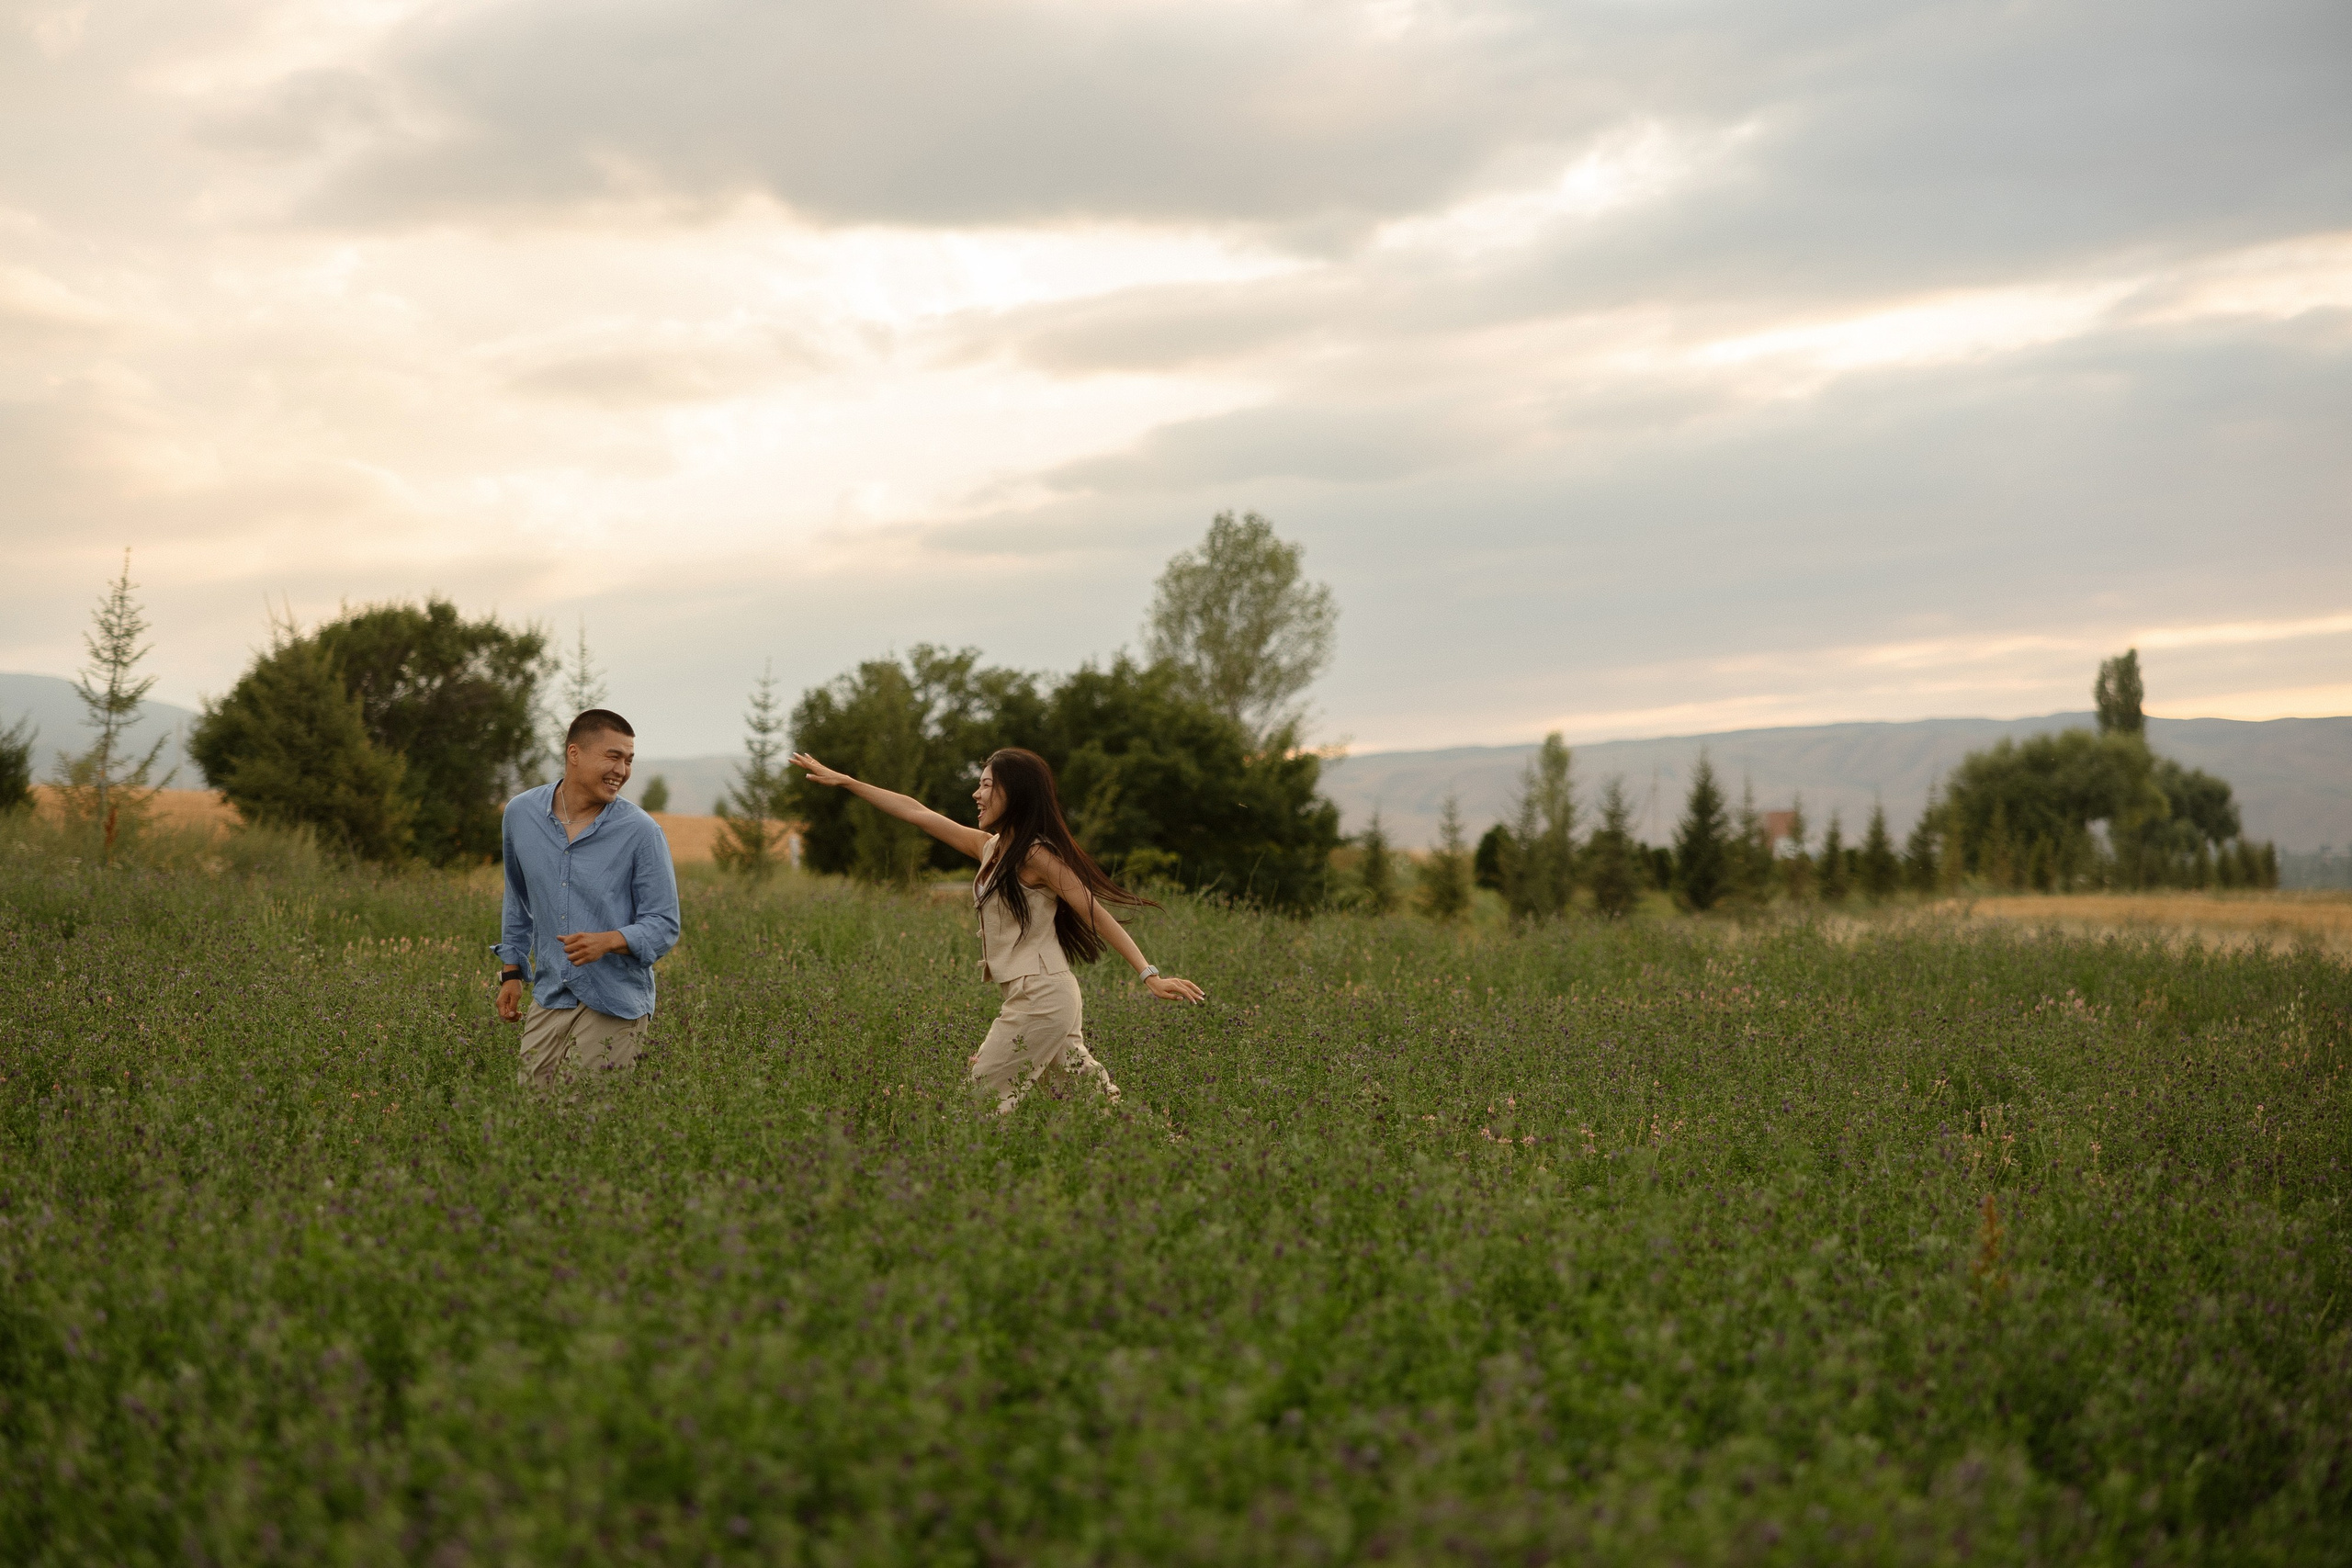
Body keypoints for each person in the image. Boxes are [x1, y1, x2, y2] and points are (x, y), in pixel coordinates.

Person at [789, 746, 1204, 1111]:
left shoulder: (1036, 855)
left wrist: (1149, 975)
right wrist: (846, 781)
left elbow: (1094, 911)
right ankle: (1169, 1151)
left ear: (1013, 793)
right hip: (1040, 994)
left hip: (1041, 996)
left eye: (986, 785)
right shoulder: (991, 848)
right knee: (1092, 1108)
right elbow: (916, 812)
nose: (976, 794)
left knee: (977, 1105)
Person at [494, 709, 681, 1086]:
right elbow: (517, 897)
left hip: (615, 1000)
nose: (622, 770)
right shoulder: (520, 814)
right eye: (613, 756)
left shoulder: (641, 832)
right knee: (531, 1119)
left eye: (628, 760)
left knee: (583, 1121)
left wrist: (610, 941)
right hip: (550, 995)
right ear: (574, 753)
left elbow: (664, 924)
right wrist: (512, 972)